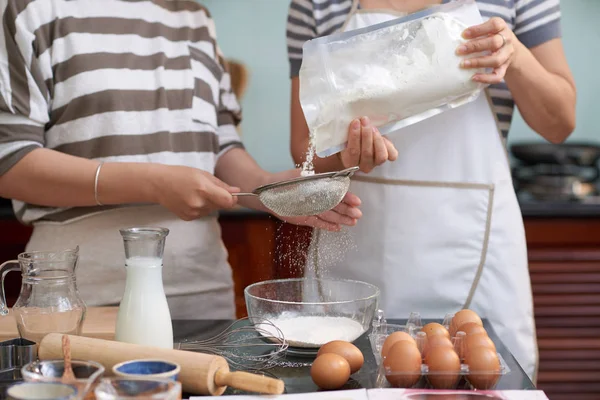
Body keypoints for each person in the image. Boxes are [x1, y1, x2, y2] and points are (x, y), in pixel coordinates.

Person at [0, 0, 368, 320]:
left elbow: (221, 147)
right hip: (80, 298)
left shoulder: (194, 19)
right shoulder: (31, 11)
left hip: (201, 296)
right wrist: (153, 184)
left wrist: (271, 191)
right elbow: (10, 161)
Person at [287, 0, 576, 381]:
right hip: (356, 251)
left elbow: (559, 124)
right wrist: (345, 156)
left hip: (477, 249)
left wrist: (515, 55)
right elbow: (304, 149)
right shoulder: (316, 5)